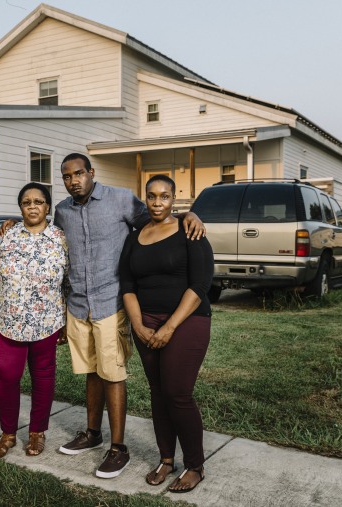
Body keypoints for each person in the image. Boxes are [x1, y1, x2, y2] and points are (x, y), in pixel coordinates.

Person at [52, 153, 205, 479]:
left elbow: (158, 217)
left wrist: (190, 213)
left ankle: (118, 448)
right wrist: (13, 226)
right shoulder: (62, 211)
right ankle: (93, 434)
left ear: (91, 172)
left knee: (113, 373)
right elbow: (53, 246)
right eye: (67, 176)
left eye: (79, 173)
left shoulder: (121, 199)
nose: (74, 180)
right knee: (93, 372)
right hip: (79, 304)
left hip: (111, 301)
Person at [118, 174, 213, 493]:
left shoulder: (190, 231)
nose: (158, 202)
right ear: (144, 198)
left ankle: (195, 465)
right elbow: (128, 284)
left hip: (187, 320)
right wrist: (140, 325)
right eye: (152, 196)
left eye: (165, 196)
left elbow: (200, 285)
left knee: (177, 393)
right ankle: (166, 459)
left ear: (175, 198)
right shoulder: (136, 236)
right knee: (158, 392)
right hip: (145, 321)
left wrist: (169, 327)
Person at [0, 182, 69, 460]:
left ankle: (36, 432)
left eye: (39, 201)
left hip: (48, 321)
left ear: (47, 206)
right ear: (21, 207)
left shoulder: (60, 238)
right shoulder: (7, 235)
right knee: (7, 377)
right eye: (27, 202)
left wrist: (66, 320)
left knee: (43, 378)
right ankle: (8, 434)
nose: (33, 206)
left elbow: (68, 282)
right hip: (8, 320)